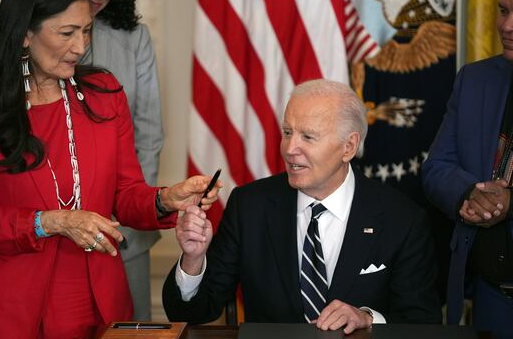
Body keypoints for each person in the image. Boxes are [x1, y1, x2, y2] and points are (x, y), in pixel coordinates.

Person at [0, 0, 220, 338]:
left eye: (86, 29)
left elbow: (125, 196)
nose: (81, 46)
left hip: (98, 303)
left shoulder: (104, 94)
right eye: (67, 32)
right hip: (8, 310)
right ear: (25, 34)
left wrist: (166, 199)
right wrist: (49, 222)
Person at [163, 79, 441, 334]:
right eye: (287, 132)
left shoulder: (402, 219)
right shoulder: (250, 206)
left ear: (349, 147)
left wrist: (368, 318)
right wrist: (193, 260)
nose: (289, 148)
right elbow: (191, 313)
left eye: (308, 137)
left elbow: (422, 323)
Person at [34, 0, 163, 320]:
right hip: (49, 229)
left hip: (123, 229)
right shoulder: (31, 27)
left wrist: (131, 210)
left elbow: (149, 135)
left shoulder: (133, 37)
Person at [422, 0, 513, 338]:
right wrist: (469, 194)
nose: (507, 26)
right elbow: (436, 168)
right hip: (490, 298)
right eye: (504, 10)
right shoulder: (474, 79)